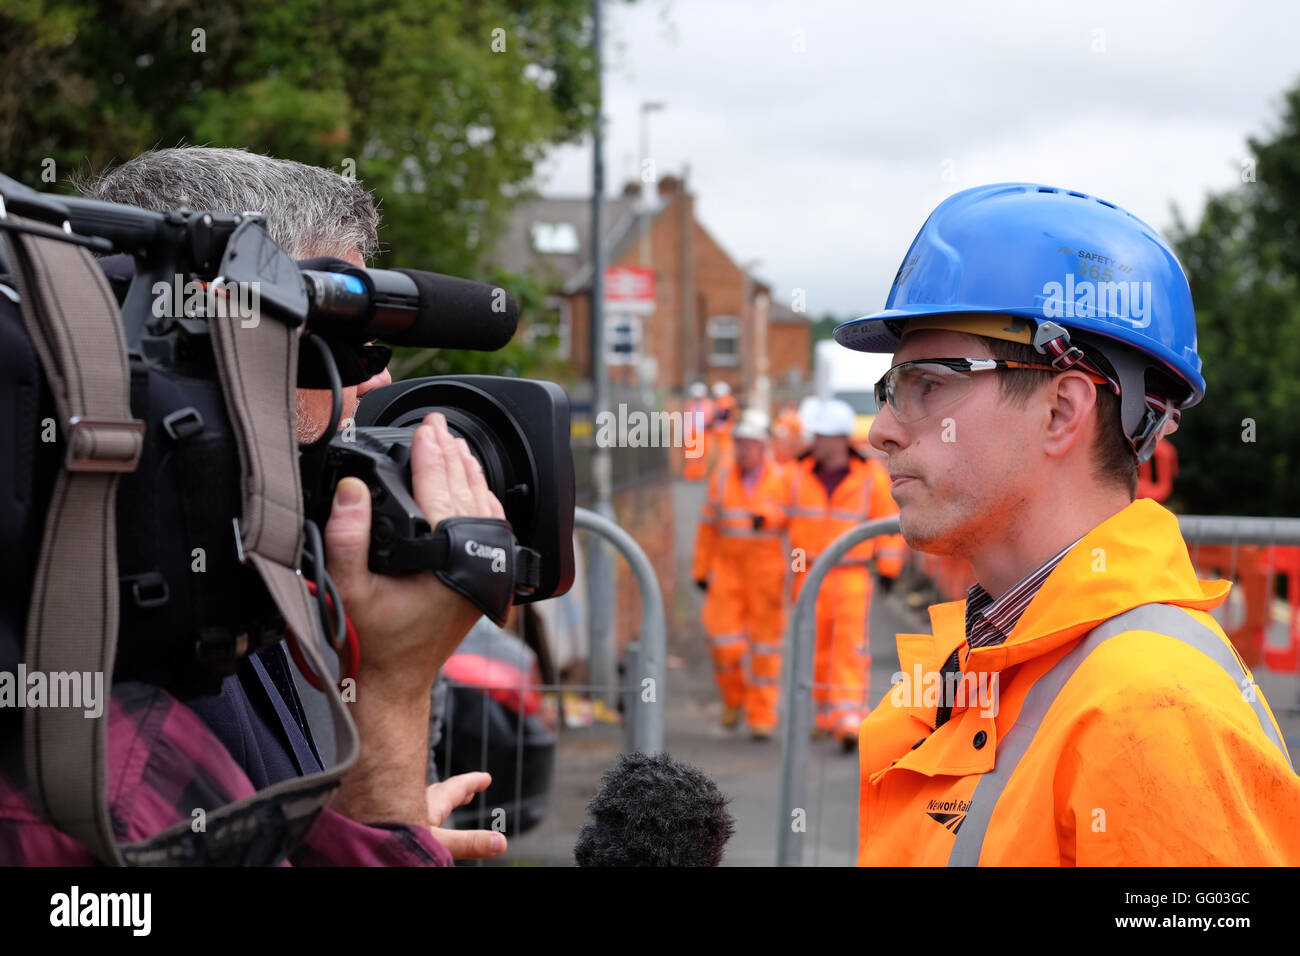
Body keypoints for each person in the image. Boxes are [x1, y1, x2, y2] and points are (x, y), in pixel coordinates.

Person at [0, 147, 504, 864]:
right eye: (341, 343)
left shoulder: (219, 572)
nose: (380, 375)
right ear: (203, 352)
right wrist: (391, 700)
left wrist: (363, 829)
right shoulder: (107, 758)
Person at [842, 181, 1300, 865]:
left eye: (926, 385)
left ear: (1061, 411)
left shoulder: (1150, 712)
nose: (880, 431)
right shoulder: (1005, 653)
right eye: (891, 390)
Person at [781, 399, 903, 750]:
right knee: (814, 647)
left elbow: (887, 523)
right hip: (808, 575)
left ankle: (849, 718)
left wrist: (888, 567)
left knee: (849, 647)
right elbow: (774, 514)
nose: (815, 442)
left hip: (850, 575)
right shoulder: (796, 473)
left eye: (822, 436)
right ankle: (824, 714)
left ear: (838, 439)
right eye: (815, 435)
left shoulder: (869, 477)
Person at [692, 410, 789, 739]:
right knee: (723, 643)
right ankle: (734, 700)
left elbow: (793, 517)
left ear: (763, 447)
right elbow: (707, 528)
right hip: (727, 572)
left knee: (765, 650)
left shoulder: (782, 478)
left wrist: (770, 518)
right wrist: (701, 569)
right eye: (738, 444)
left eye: (748, 445)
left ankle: (761, 716)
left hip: (766, 576)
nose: (742, 450)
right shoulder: (721, 477)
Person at [682, 381, 713, 481]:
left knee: (702, 454)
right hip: (692, 432)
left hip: (703, 432)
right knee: (691, 455)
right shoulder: (689, 405)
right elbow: (686, 419)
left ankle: (701, 473)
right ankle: (691, 474)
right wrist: (685, 431)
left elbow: (711, 418)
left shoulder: (708, 404)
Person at [709, 381, 738, 467]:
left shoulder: (727, 401)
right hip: (721, 433)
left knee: (726, 452)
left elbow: (725, 414)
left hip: (725, 432)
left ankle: (725, 467)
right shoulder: (721, 401)